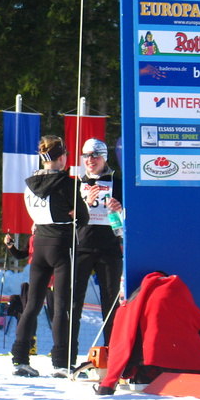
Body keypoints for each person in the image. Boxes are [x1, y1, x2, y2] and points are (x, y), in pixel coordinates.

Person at [11, 135, 88, 378]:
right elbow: (83, 217)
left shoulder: (30, 184)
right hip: (61, 244)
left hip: (40, 245)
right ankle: (61, 363)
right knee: (61, 306)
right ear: (62, 157)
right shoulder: (67, 183)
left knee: (32, 305)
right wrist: (72, 212)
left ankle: (20, 359)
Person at [72, 138, 123, 361]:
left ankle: (114, 355)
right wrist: (83, 204)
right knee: (73, 302)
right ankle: (67, 357)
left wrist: (120, 209)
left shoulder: (118, 184)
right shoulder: (75, 184)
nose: (90, 160)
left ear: (104, 158)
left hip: (109, 248)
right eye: (86, 156)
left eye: (95, 156)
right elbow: (66, 217)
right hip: (81, 248)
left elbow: (128, 222)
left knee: (111, 304)